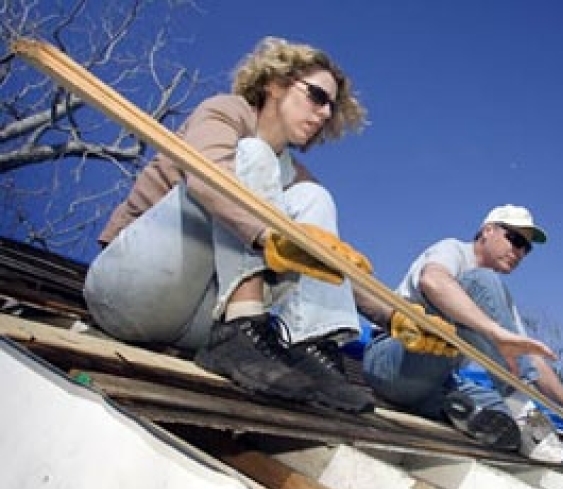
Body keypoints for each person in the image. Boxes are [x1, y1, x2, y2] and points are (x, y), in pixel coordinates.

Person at [84, 36, 447, 414]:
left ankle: (312, 344)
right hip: (131, 289)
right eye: (317, 97)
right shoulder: (225, 112)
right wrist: (268, 235)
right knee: (254, 154)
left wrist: (398, 315)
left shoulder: (296, 177)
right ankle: (243, 322)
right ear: (275, 83)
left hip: (198, 320)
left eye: (331, 107)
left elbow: (329, 263)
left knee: (315, 200)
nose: (324, 114)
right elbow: (207, 179)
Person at [362, 204, 563, 462]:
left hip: (438, 382)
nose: (519, 252)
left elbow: (528, 357)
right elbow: (432, 281)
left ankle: (469, 412)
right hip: (393, 361)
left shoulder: (499, 296)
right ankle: (522, 413)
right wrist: (494, 332)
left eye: (526, 248)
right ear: (488, 231)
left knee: (498, 414)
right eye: (515, 239)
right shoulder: (453, 250)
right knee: (482, 282)